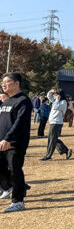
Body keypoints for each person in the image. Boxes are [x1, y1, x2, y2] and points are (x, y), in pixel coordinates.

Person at [0, 73, 33, 212]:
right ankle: (9, 186)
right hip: (2, 141)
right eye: (2, 82)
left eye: (7, 82)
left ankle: (18, 201)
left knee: (14, 169)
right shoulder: (7, 101)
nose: (3, 84)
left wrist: (8, 138)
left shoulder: (23, 101)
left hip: (15, 142)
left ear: (16, 83)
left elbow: (20, 123)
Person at [42, 90, 72, 161]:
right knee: (52, 139)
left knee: (52, 140)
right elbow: (49, 96)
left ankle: (48, 156)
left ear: (60, 95)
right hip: (53, 122)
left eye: (56, 95)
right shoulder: (57, 101)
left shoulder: (63, 102)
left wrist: (57, 99)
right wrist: (51, 91)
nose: (54, 96)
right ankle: (66, 151)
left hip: (57, 123)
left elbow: (55, 107)